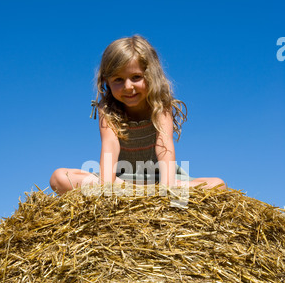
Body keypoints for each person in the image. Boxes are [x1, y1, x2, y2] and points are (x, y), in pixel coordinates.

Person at [50, 35, 226, 194]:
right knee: (59, 178)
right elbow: (110, 145)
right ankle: (136, 192)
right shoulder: (107, 108)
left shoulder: (160, 105)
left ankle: (146, 193)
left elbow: (164, 146)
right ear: (106, 82)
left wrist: (166, 190)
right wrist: (106, 185)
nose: (128, 86)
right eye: (118, 80)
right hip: (119, 180)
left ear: (151, 76)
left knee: (218, 186)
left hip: (160, 179)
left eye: (136, 77)